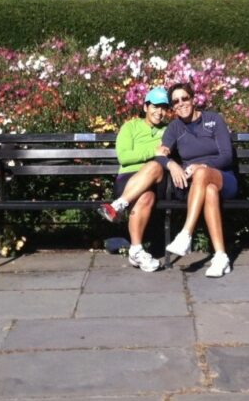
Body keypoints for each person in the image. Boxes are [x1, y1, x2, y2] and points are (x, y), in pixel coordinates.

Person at [160, 82, 238, 277]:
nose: (181, 104)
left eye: (184, 98)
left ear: (193, 99)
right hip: (198, 186)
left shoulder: (213, 119)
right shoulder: (174, 128)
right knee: (208, 190)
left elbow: (227, 156)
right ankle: (221, 256)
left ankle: (186, 233)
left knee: (203, 174)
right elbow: (160, 154)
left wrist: (201, 166)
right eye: (175, 102)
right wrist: (172, 164)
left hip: (224, 177)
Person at [98, 87, 171, 272]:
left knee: (155, 166)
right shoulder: (130, 127)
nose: (159, 111)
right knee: (146, 197)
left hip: (158, 179)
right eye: (155, 106)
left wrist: (156, 157)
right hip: (129, 180)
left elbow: (169, 155)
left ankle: (118, 205)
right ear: (146, 106)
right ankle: (137, 251)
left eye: (163, 107)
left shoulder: (168, 130)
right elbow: (124, 157)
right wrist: (152, 152)